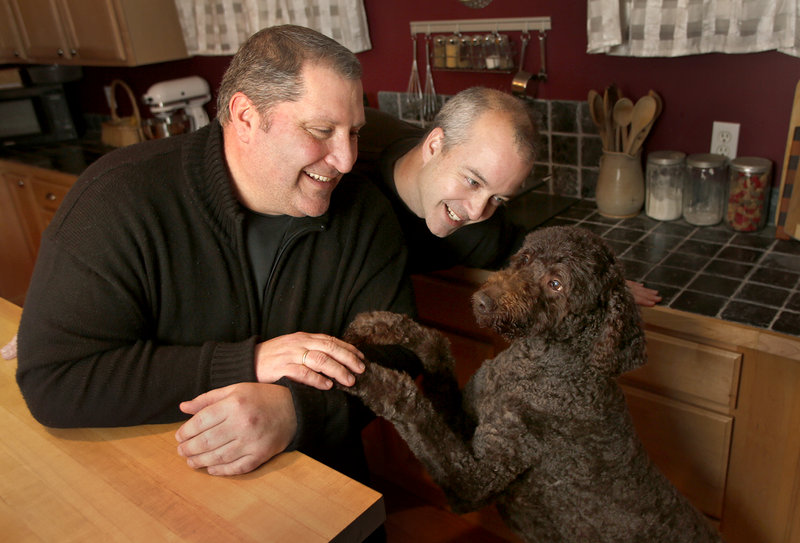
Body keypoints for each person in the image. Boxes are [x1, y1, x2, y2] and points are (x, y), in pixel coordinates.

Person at [16, 25, 418, 484]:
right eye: (322, 130)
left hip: (325, 488)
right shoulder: (117, 198)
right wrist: (247, 363)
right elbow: (54, 379)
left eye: (354, 133)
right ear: (245, 116)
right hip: (167, 484)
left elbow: (399, 359)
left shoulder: (365, 213)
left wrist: (297, 412)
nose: (346, 159)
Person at [352, 89, 661, 306]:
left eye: (498, 198)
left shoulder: (480, 231)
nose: (475, 211)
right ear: (434, 146)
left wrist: (597, 282)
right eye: (472, 180)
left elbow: (529, 254)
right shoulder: (343, 166)